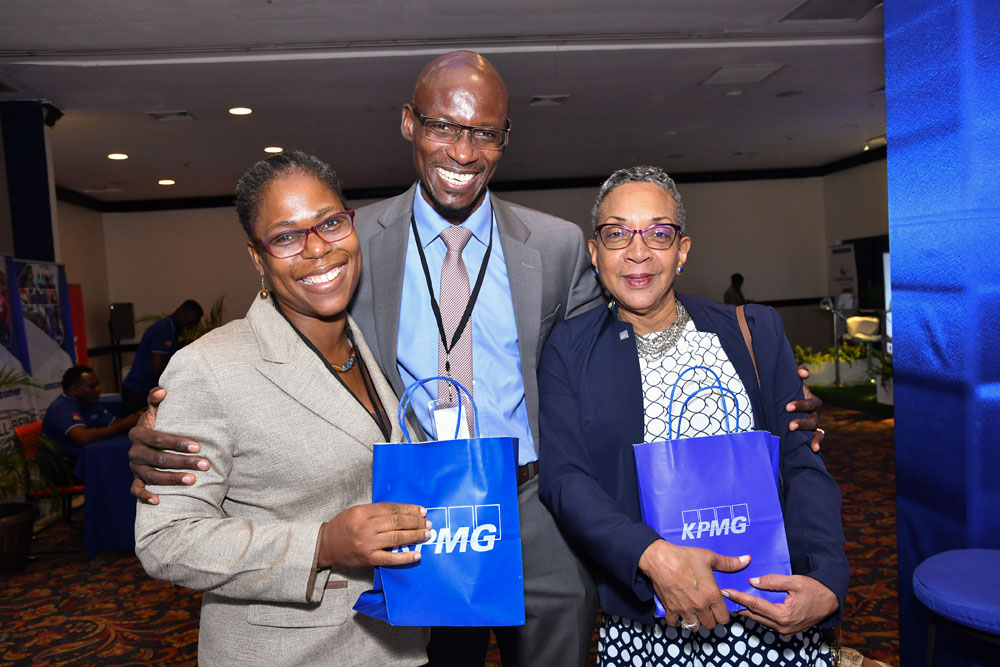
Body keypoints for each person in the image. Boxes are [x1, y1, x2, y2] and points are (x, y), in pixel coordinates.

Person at [127, 51, 826, 666]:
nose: (462, 151)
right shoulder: (354, 245)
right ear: (409, 123)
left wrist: (765, 392)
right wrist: (166, 426)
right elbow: (291, 363)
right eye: (442, 126)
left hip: (537, 503)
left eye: (483, 132)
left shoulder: (555, 246)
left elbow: (616, 352)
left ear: (504, 138)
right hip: (416, 507)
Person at [537, 166, 848, 666]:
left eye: (659, 233)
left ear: (682, 251)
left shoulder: (755, 331)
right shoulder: (569, 351)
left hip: (772, 615)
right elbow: (565, 481)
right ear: (595, 254)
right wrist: (651, 556)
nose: (638, 252)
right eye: (617, 233)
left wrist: (827, 579)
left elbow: (802, 462)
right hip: (648, 627)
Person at [133, 151, 428, 667]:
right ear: (258, 257)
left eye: (330, 223)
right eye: (287, 236)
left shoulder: (381, 344)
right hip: (286, 652)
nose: (317, 248)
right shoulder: (210, 366)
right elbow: (165, 540)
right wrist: (321, 544)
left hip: (399, 644)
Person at [41, 365, 141, 475]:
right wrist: (124, 424)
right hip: (64, 469)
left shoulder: (90, 402)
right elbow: (82, 438)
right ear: (75, 390)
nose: (98, 390)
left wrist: (137, 417)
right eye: (92, 387)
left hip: (88, 461)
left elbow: (114, 424)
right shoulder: (61, 407)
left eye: (97, 385)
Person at [121, 300, 203, 413]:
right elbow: (156, 368)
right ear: (182, 312)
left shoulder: (171, 330)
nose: (189, 327)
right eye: (190, 323)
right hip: (138, 391)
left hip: (144, 390)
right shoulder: (164, 330)